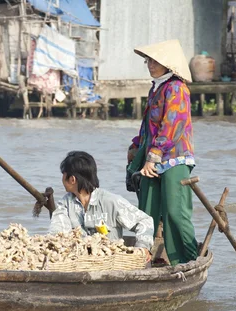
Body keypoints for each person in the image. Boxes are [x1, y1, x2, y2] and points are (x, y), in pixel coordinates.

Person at [126, 39, 198, 266]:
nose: (150, 64)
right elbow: (149, 123)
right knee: (146, 213)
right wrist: (137, 145)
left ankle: (186, 260)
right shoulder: (156, 87)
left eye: (156, 61)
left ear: (169, 64)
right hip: (151, 159)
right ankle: (144, 258)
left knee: (175, 215)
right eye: (149, 60)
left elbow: (172, 126)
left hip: (173, 159)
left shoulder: (176, 88)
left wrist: (153, 156)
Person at [49, 151, 154, 258]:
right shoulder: (65, 204)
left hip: (109, 261)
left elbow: (145, 220)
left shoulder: (110, 201)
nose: (62, 179)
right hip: (78, 261)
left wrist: (143, 246)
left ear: (72, 179)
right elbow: (57, 232)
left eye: (63, 174)